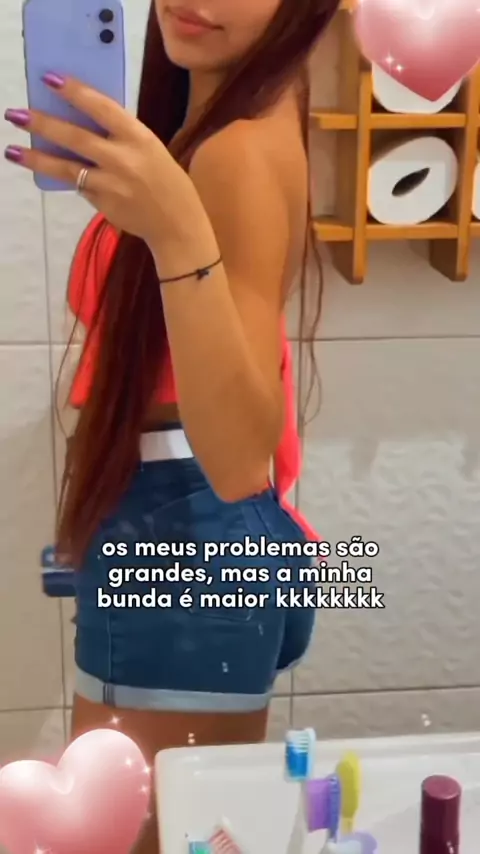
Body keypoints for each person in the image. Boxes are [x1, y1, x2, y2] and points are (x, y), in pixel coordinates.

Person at [4, 0, 339, 850]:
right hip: (191, 533)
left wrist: (176, 225)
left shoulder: (232, 150)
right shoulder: (244, 112)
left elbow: (238, 457)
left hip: (185, 532)